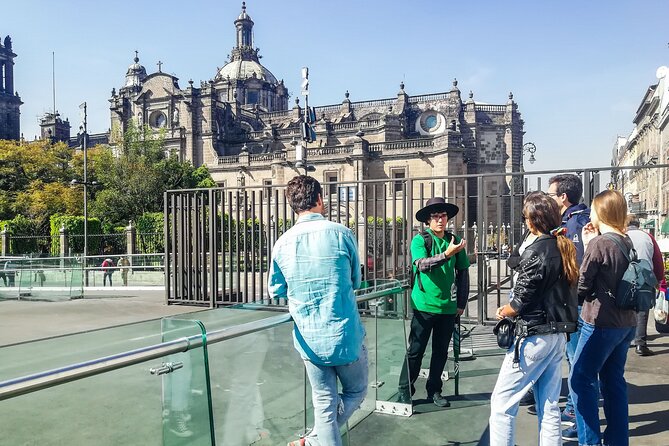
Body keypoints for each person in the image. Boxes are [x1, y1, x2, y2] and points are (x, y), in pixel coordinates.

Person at [268, 175, 367, 446]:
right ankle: (313, 440)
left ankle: (314, 440)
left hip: (309, 340)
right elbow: (357, 281)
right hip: (345, 336)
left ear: (292, 205)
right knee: (356, 392)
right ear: (320, 199)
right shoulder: (342, 233)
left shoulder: (281, 243)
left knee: (324, 405)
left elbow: (275, 290)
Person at [489, 192, 578, 445]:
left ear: (532, 220)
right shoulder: (562, 245)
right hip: (556, 334)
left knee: (501, 405)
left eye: (526, 217)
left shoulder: (539, 249)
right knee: (549, 406)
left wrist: (503, 311)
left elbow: (520, 301)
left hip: (533, 336)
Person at [570, 190, 636, 446]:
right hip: (626, 322)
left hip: (601, 322)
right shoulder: (626, 240)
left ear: (602, 212)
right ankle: (619, 441)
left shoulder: (600, 243)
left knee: (580, 381)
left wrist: (588, 246)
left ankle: (590, 442)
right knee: (613, 381)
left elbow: (582, 286)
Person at [397, 197, 470, 407]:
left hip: (447, 307)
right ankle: (405, 389)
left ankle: (434, 389)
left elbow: (463, 273)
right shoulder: (420, 240)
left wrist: (461, 303)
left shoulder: (454, 241)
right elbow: (421, 265)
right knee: (416, 350)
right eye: (435, 216)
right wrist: (447, 254)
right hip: (423, 306)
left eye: (443, 216)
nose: (440, 220)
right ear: (428, 220)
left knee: (440, 351)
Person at [546, 174, 591, 436]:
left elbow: (580, 269)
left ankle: (576, 413)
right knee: (574, 358)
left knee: (575, 360)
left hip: (575, 303)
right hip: (574, 303)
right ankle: (573, 408)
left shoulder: (574, 225)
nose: (550, 199)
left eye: (552, 195)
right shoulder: (572, 220)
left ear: (563, 197)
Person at [625, 214, 665, 356]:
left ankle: (625, 341)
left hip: (625, 278)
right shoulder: (648, 237)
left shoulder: (622, 236)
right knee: (642, 311)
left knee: (625, 308)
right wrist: (660, 281)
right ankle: (640, 344)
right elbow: (658, 259)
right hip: (645, 277)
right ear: (638, 224)